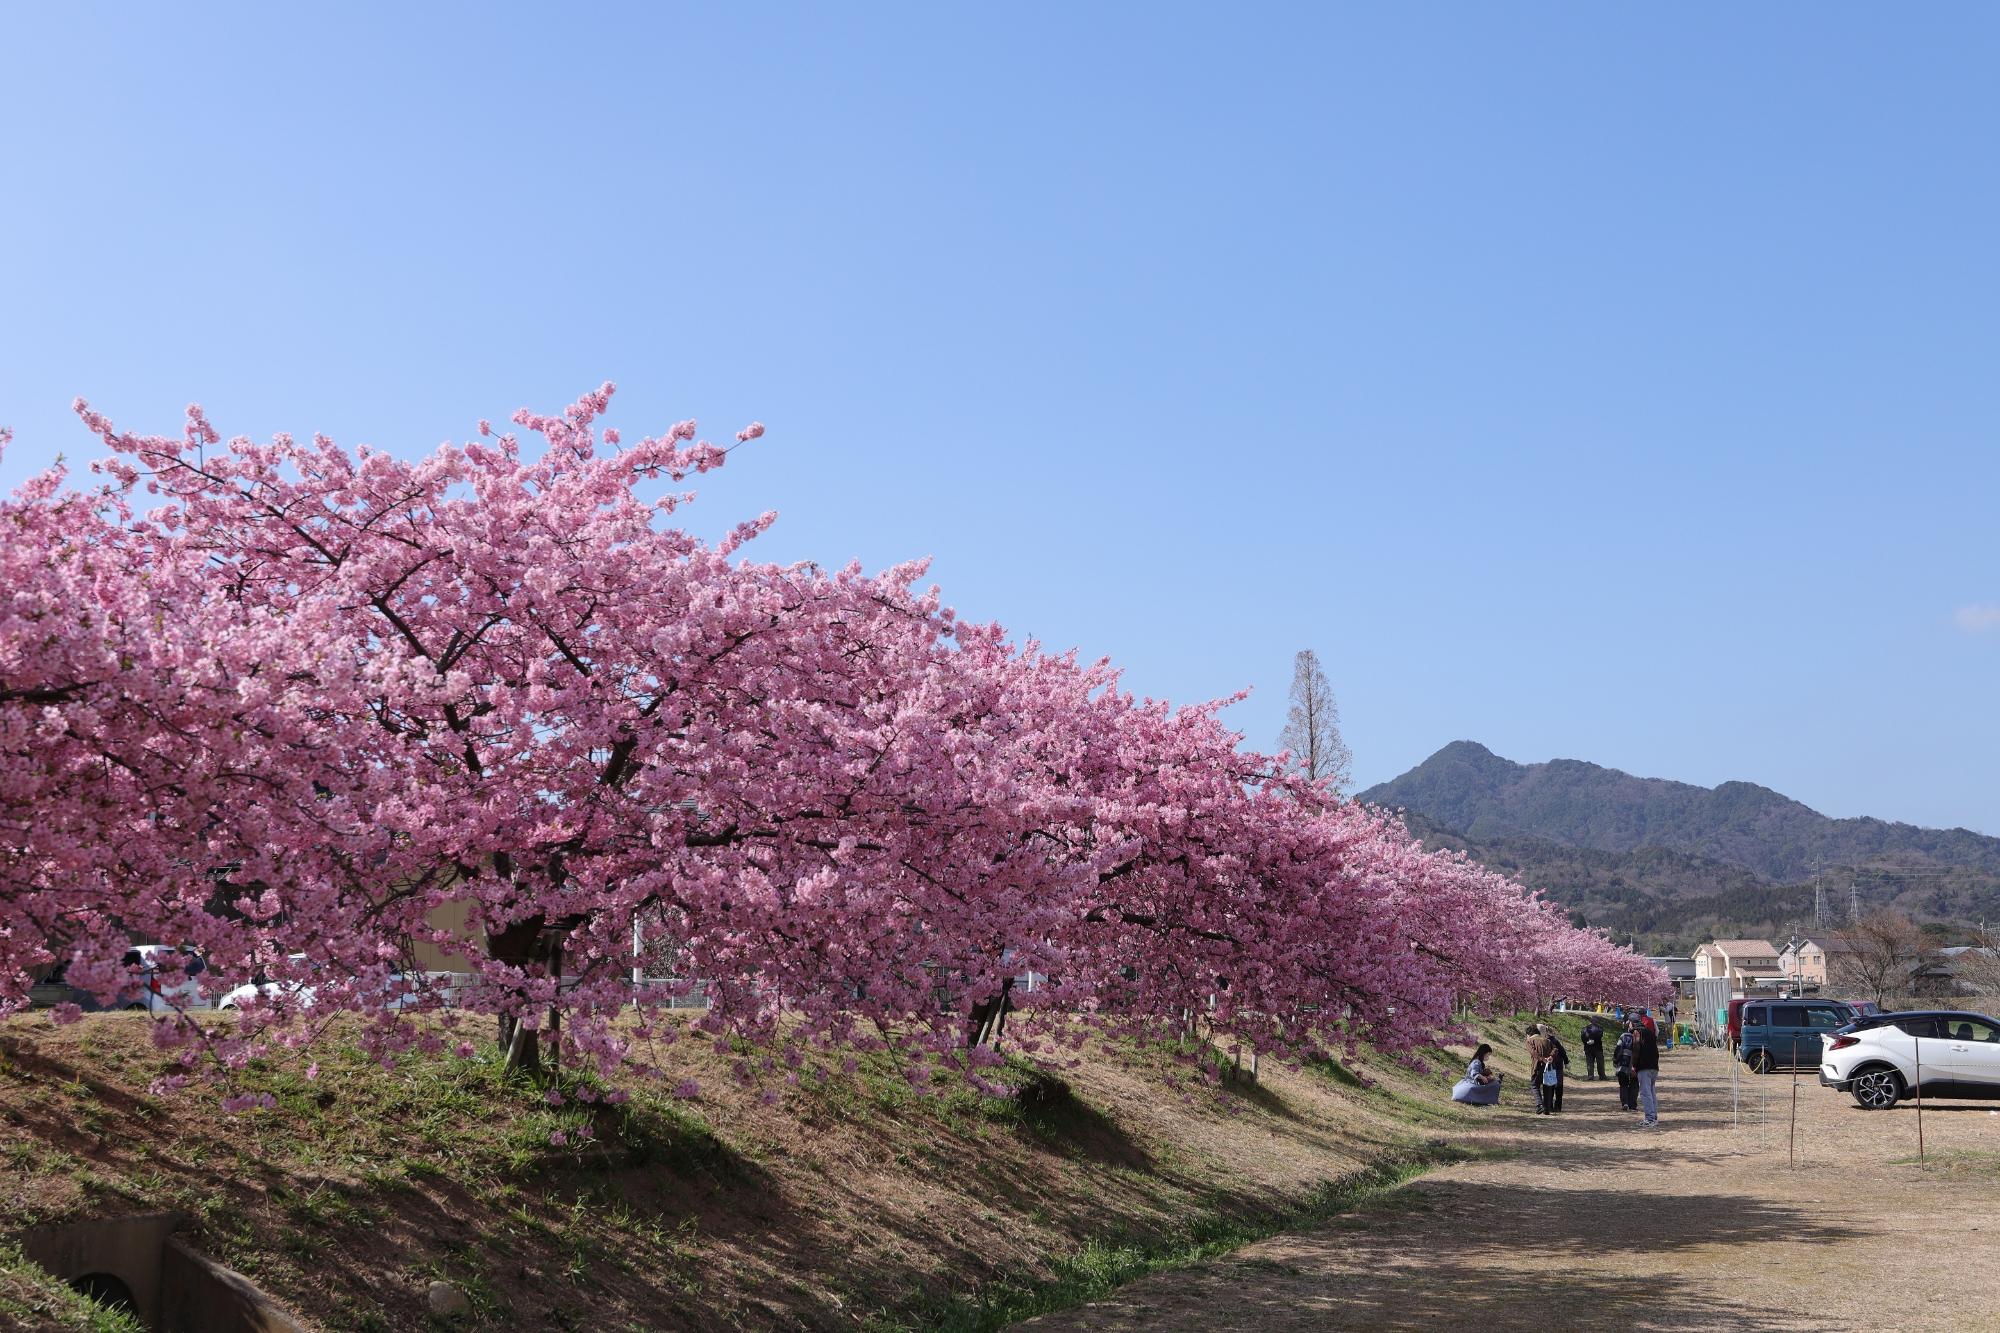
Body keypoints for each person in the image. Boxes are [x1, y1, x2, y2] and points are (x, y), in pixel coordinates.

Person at [1633, 1018, 1661, 1127]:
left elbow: (1636, 1048)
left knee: (1645, 1093)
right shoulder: (1650, 1033)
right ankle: (1654, 1116)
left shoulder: (1637, 1032)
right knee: (1651, 1092)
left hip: (1644, 1067)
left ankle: (1650, 1119)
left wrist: (1633, 1065)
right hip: (1654, 1067)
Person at [1525, 1024, 1554, 1115]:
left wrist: (1542, 1059)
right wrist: (1551, 1057)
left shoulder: (1530, 1041)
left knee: (1535, 1085)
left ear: (1529, 1034)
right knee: (1547, 1087)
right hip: (1549, 1066)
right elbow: (1555, 1049)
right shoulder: (1547, 1040)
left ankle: (1539, 1105)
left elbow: (1533, 1052)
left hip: (1537, 1066)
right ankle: (1547, 1108)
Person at [1613, 1019, 1638, 1111]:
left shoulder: (1623, 1036)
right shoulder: (1640, 1036)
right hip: (1635, 1064)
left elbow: (1618, 1049)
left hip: (1623, 1063)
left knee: (1623, 1084)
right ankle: (1633, 1105)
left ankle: (1625, 1103)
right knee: (1634, 1084)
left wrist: (1615, 1060)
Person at [1544, 1026, 1569, 1111]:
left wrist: (1566, 1061)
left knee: (1557, 1087)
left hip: (1557, 1066)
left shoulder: (1554, 1041)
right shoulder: (1544, 1041)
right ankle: (1550, 1106)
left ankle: (1557, 1106)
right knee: (1551, 1086)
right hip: (1550, 1066)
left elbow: (1562, 1051)